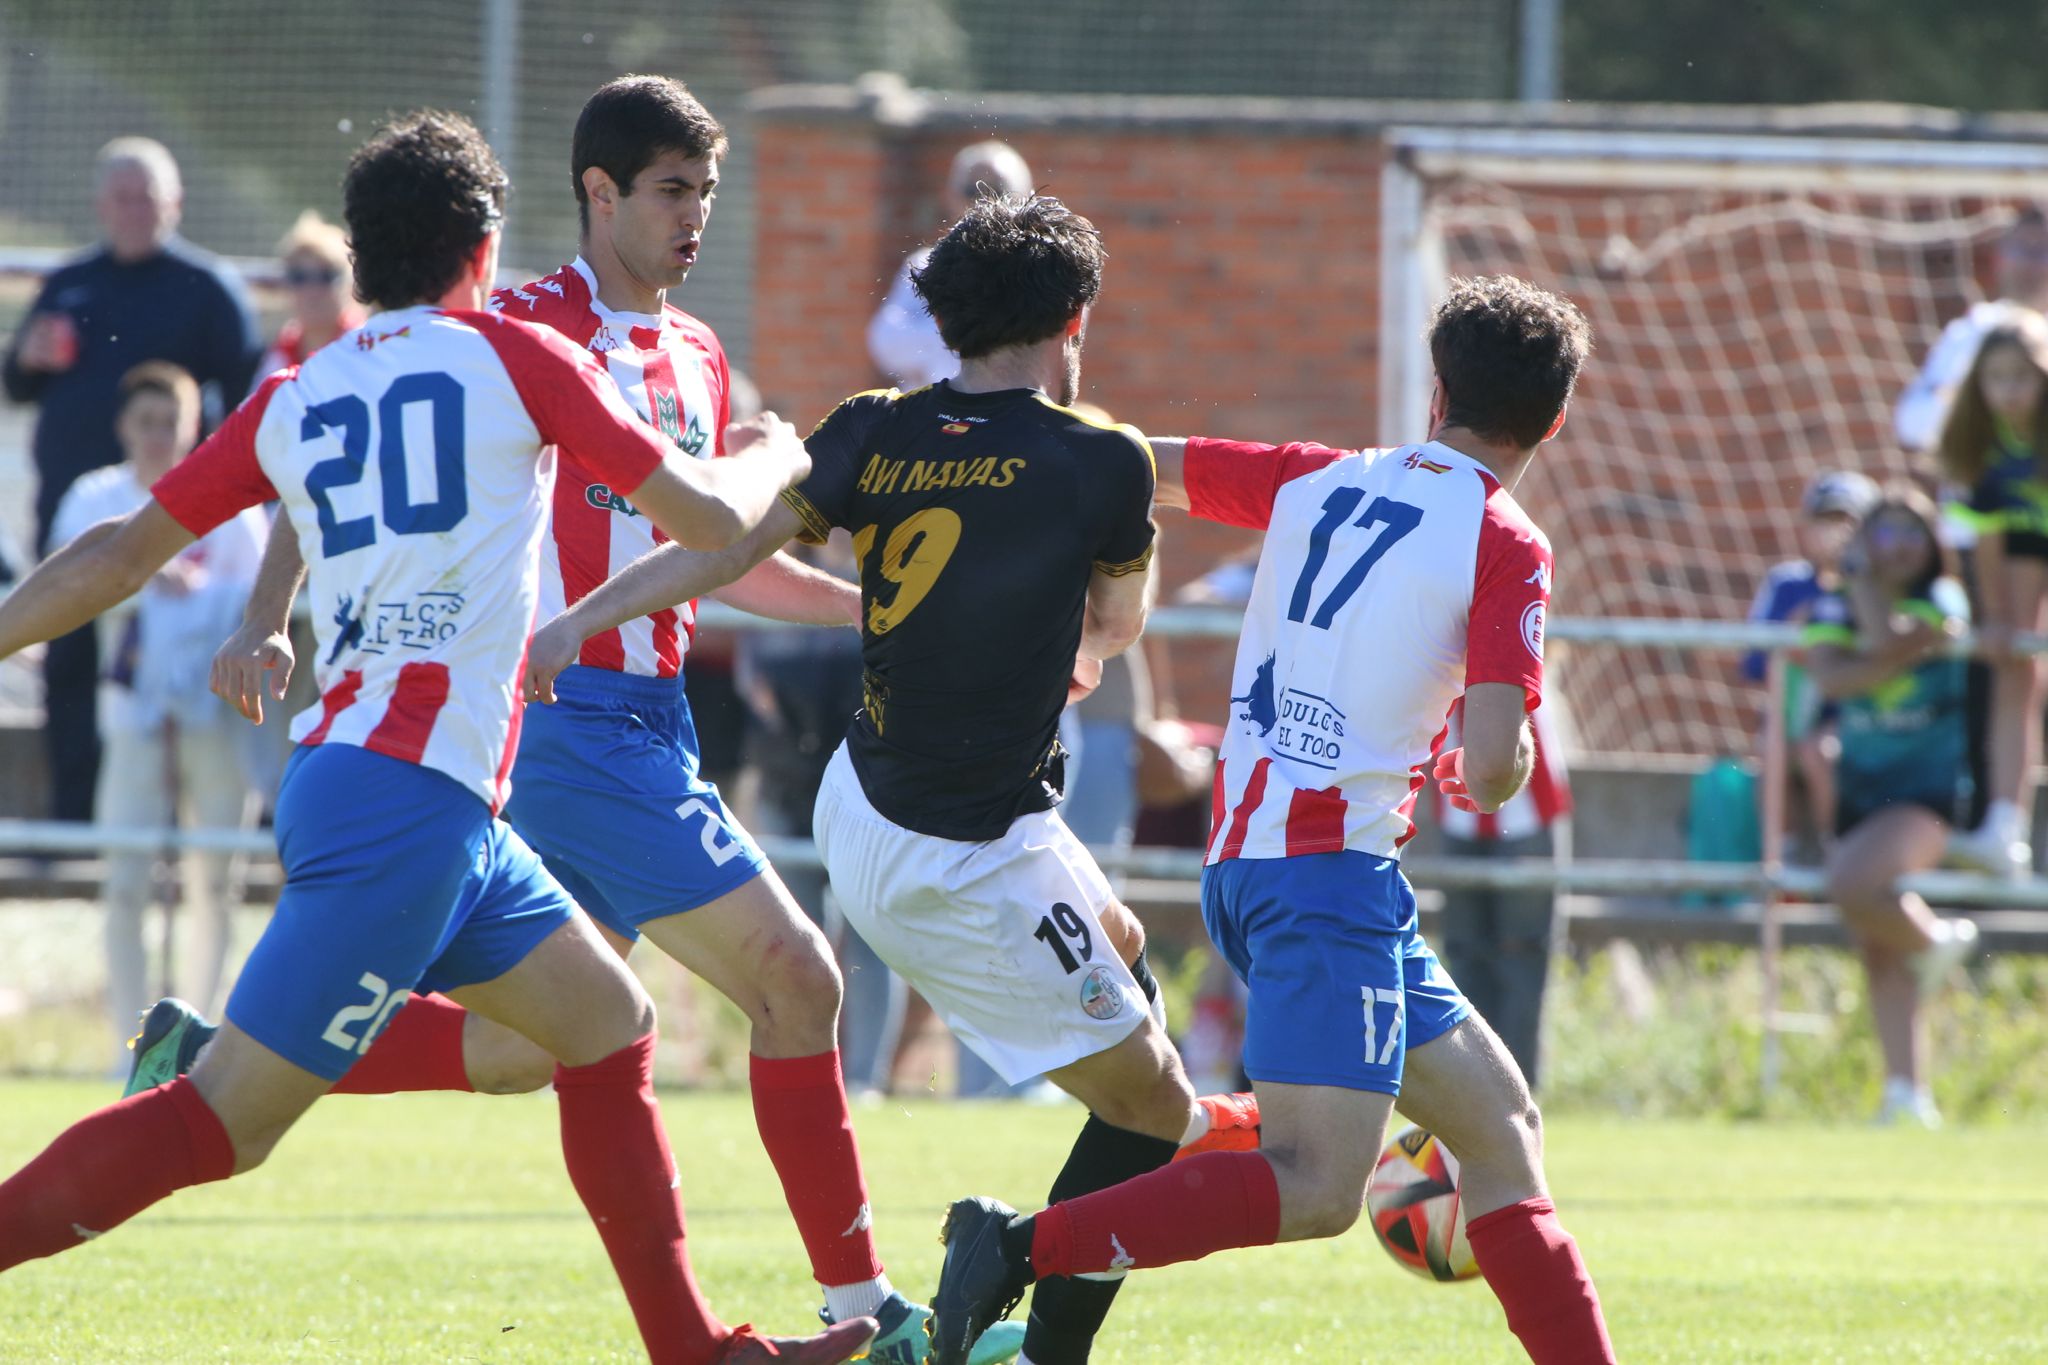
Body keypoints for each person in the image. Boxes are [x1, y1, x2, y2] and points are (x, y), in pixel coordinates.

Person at [0, 110, 871, 1364]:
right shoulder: (518, 357)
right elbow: (703, 518)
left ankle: (694, 1352)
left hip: (407, 793)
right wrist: (774, 453)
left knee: (607, 1025)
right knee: (223, 1126)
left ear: (359, 256)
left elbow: (119, 554)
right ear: (484, 244)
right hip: (403, 806)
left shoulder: (299, 391)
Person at [201, 76, 938, 1362]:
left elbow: (716, 558)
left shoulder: (697, 354)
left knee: (521, 1048)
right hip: (564, 719)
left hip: (652, 717)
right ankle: (864, 1308)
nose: (694, 216)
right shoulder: (518, 325)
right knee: (794, 978)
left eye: (706, 191)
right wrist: (271, 610)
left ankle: (210, 1065)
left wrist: (867, 614)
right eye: (670, 191)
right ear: (599, 193)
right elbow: (350, 438)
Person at [521, 192, 1257, 1365]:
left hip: (864, 807)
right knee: (1152, 1110)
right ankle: (1021, 1284)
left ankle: (1162, 1132)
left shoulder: (871, 427)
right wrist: (1065, 634)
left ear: (947, 320)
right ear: (1074, 320)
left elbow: (724, 548)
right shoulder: (1102, 458)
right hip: (962, 856)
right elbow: (1115, 627)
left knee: (1119, 945)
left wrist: (577, 620)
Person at [930, 274, 1617, 1365]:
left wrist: (994, 441)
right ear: (1557, 418)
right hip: (1327, 880)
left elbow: (1142, 463)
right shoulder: (1505, 541)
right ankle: (1016, 1247)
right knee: (1317, 1186)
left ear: (1438, 392)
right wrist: (1488, 759)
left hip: (1264, 866)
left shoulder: (1319, 477)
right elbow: (1493, 769)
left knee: (1498, 1130)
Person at [2, 136, 261, 823]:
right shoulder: (70, 282)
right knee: (69, 660)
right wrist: (25, 356)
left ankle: (188, 838)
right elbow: (17, 383)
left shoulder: (208, 287)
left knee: (185, 686)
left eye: (147, 197)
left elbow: (248, 401)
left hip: (174, 525)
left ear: (175, 203)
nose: (134, 210)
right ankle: (70, 830)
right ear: (99, 205)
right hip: (76, 513)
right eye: (121, 197)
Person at [49, 362, 266, 1059]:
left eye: (171, 423)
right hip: (131, 717)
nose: (158, 436)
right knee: (125, 881)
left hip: (217, 715)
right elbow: (69, 579)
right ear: (123, 427)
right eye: (146, 422)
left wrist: (201, 603)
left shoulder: (228, 502)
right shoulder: (97, 497)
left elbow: (259, 596)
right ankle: (129, 1043)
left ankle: (205, 1044)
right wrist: (143, 576)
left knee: (216, 880)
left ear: (193, 428)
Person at [1804, 492, 1982, 1126]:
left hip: (1925, 795)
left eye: (1915, 530)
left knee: (1848, 884)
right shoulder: (1835, 603)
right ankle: (1906, 1094)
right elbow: (1831, 678)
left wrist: (1869, 618)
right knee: (1879, 948)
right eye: (1887, 531)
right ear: (1866, 541)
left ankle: (1938, 941)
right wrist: (1894, 653)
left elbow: (1877, 639)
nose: (1902, 544)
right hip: (1860, 791)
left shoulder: (1944, 597)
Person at [1931, 314, 2048, 878]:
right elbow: (1990, 541)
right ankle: (2005, 827)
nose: (2009, 391)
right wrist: (1999, 619)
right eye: (1996, 377)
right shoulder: (1979, 447)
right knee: (2012, 668)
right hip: (2026, 546)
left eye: (2021, 377)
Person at [1430, 693, 1572, 1089]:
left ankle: (1520, 1091)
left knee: (1522, 957)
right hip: (1456, 802)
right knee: (1465, 956)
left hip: (1529, 808)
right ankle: (1470, 1088)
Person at [1741, 470, 1882, 856]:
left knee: (1819, 751)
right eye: (1826, 520)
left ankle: (1840, 852)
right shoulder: (1785, 585)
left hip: (1853, 717)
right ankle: (1779, 861)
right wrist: (1795, 634)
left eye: (1848, 522)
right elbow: (1753, 663)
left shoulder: (1873, 590)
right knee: (1773, 749)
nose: (1836, 533)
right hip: (1791, 716)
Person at [866, 141, 1033, 390]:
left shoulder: (1036, 268)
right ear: (950, 197)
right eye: (972, 190)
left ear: (1025, 196)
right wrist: (963, 332)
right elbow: (885, 342)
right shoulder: (925, 264)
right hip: (933, 409)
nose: (985, 202)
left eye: (998, 190)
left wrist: (944, 334)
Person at [1895, 206, 2048, 455]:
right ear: (1999, 259)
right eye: (2022, 248)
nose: (2030, 263)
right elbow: (1911, 425)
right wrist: (1970, 403)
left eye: (2042, 249)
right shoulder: (1971, 330)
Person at [258, 210, 367, 376]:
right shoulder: (277, 356)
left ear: (350, 283)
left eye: (326, 276)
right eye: (299, 277)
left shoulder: (366, 347)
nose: (312, 291)